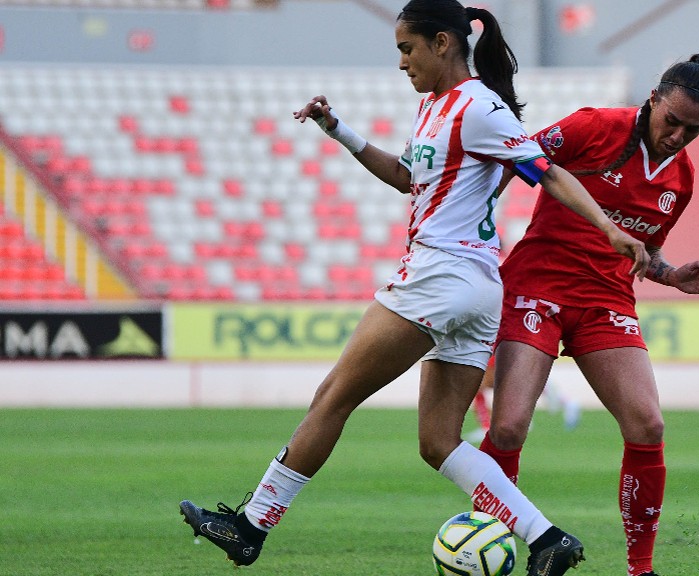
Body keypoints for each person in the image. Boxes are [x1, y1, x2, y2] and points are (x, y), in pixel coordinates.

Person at [177, 3, 650, 575]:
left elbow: (544, 169)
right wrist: (338, 130)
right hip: (475, 288)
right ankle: (546, 538)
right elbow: (407, 177)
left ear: (443, 43)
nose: (402, 61)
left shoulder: (477, 106)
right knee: (438, 442)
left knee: (334, 397)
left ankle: (250, 526)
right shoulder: (436, 108)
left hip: (438, 275)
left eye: (408, 48)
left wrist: (607, 227)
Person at [479, 55, 699, 576]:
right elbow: (516, 155)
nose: (678, 136)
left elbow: (642, 254)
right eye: (671, 121)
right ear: (653, 100)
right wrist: (479, 219)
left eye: (692, 130)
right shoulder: (594, 127)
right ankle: (485, 553)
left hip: (606, 300)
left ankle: (641, 568)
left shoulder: (681, 180)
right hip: (537, 286)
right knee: (510, 427)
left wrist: (672, 275)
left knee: (648, 424)